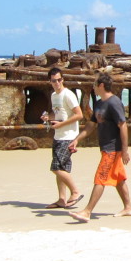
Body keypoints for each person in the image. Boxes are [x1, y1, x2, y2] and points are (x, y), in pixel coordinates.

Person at [69, 73, 131, 222]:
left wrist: (124, 150)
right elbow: (91, 125)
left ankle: (87, 211)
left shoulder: (114, 102)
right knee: (118, 179)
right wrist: (77, 139)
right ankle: (128, 207)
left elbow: (123, 125)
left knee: (100, 178)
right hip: (105, 147)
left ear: (101, 85)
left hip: (112, 148)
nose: (93, 87)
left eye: (95, 84)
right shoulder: (98, 104)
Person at [42, 67, 84, 209]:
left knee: (56, 167)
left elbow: (79, 115)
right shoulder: (54, 96)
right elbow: (59, 114)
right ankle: (61, 199)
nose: (57, 83)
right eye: (54, 81)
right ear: (50, 82)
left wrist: (61, 125)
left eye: (59, 80)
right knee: (62, 169)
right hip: (58, 136)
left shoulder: (68, 95)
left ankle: (76, 192)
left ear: (63, 80)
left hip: (68, 136)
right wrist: (49, 117)